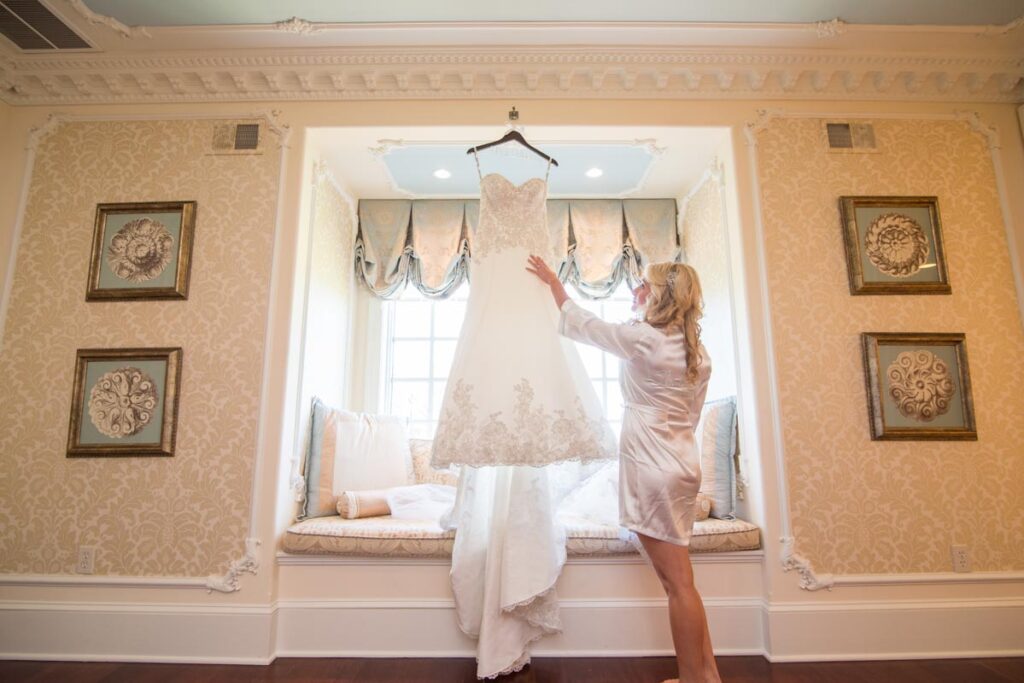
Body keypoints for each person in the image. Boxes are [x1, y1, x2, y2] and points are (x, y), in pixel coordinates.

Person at [526, 255, 721, 683]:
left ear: (660, 296)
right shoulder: (697, 352)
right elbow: (692, 415)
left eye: (643, 286)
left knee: (677, 585)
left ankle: (693, 680)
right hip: (683, 465)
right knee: (683, 581)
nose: (636, 292)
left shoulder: (643, 338)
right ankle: (707, 675)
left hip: (652, 466)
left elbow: (583, 324)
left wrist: (555, 284)